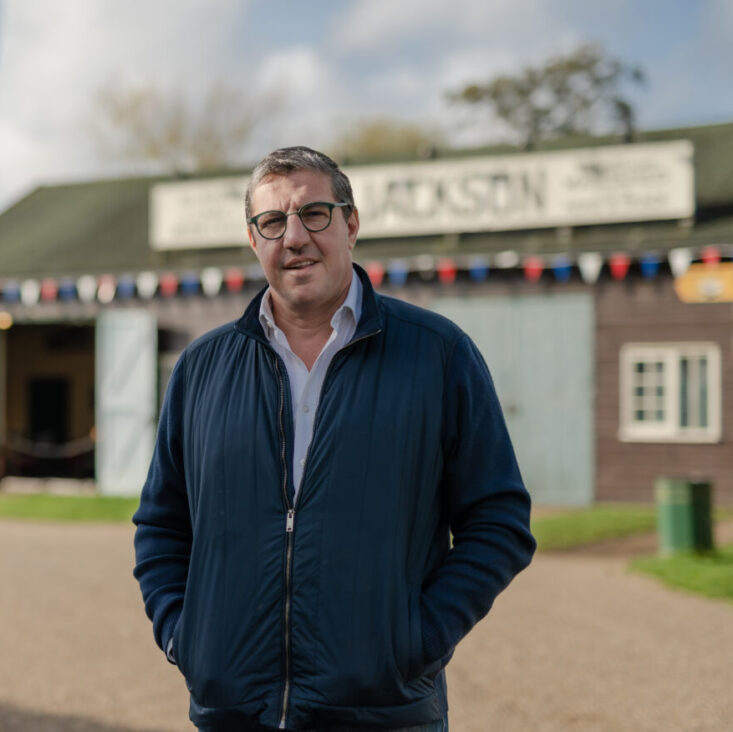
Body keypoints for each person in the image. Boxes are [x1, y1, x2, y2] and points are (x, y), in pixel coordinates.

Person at [133, 146, 536, 731]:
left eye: (313, 214)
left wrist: (413, 641)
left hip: (383, 711)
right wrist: (184, 637)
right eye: (272, 222)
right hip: (232, 711)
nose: (293, 236)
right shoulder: (201, 368)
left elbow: (498, 521)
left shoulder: (437, 354)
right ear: (254, 241)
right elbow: (162, 524)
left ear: (350, 223)